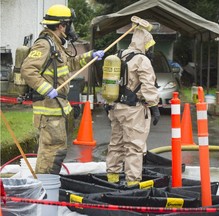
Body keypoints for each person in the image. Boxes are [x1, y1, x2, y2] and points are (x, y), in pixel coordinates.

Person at [20, 4, 104, 174]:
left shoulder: (56, 44)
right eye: (68, 24)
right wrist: (46, 88)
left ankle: (47, 187)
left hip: (56, 109)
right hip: (49, 109)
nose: (70, 28)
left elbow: (69, 63)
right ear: (61, 25)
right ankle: (46, 188)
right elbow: (27, 69)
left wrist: (90, 56)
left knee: (55, 151)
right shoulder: (44, 45)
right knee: (51, 152)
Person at [106, 27, 160, 186]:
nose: (151, 50)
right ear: (145, 44)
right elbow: (148, 86)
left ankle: (112, 178)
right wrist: (154, 105)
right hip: (133, 109)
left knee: (116, 144)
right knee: (134, 147)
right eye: (150, 46)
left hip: (116, 107)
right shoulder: (142, 60)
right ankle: (132, 183)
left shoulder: (119, 55)